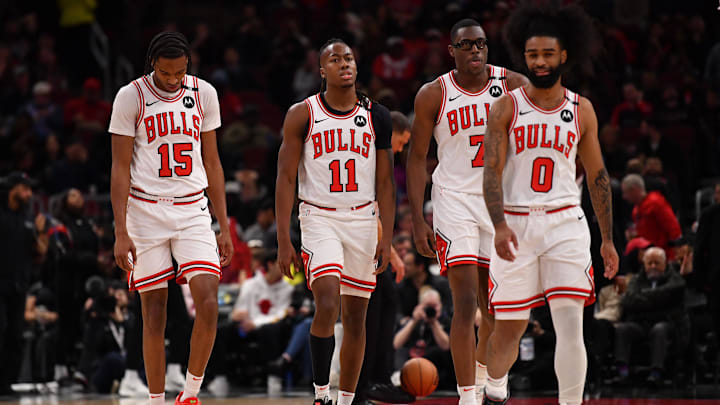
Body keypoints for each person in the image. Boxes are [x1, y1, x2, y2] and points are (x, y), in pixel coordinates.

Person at [481, 6, 619, 405]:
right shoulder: (506, 106)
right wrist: (500, 224)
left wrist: (606, 240)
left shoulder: (581, 109)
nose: (538, 62)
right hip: (516, 225)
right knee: (509, 328)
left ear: (564, 56)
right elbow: (491, 173)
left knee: (570, 323)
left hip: (565, 223)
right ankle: (494, 390)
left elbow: (597, 176)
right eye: (531, 55)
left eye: (546, 54)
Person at [406, 18, 528, 404]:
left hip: (499, 203)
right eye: (467, 45)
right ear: (452, 51)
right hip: (453, 198)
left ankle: (486, 375)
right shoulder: (433, 94)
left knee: (498, 307)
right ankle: (467, 396)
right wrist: (415, 219)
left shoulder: (513, 85)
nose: (475, 50)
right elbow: (415, 159)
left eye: (481, 44)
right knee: (465, 304)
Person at [109, 31, 233, 405]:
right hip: (145, 210)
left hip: (193, 208)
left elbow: (212, 161)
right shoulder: (130, 96)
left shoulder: (204, 93)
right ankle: (156, 400)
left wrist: (223, 224)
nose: (173, 79)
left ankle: (190, 394)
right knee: (154, 313)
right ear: (152, 65)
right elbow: (118, 167)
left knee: (208, 301)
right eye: (166, 73)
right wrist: (119, 230)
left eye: (180, 72)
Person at [276, 38, 395, 405]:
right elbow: (285, 177)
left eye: (349, 58)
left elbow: (386, 184)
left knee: (357, 317)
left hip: (362, 217)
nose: (344, 63)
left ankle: (345, 400)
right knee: (327, 300)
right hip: (318, 216)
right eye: (335, 59)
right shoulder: (303, 113)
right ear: (321, 70)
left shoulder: (378, 115)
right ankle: (321, 394)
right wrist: (284, 238)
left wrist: (386, 237)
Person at [0, 172, 48, 396]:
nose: (29, 194)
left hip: (19, 285)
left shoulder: (28, 218)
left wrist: (40, 233)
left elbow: (39, 254)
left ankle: (7, 382)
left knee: (15, 333)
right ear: (13, 190)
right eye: (25, 189)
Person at [614, 247, 688, 386]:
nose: (653, 266)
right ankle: (622, 371)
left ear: (665, 263)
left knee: (659, 330)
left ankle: (656, 372)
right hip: (641, 323)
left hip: (668, 324)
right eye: (650, 263)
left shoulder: (675, 278)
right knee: (623, 329)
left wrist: (643, 299)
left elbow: (673, 291)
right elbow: (628, 300)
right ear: (644, 264)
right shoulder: (637, 279)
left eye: (657, 263)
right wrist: (658, 301)